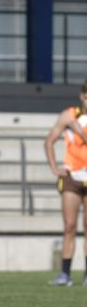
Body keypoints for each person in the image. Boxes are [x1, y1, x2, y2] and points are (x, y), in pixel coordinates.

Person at [44, 80, 87, 286]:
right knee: (69, 226)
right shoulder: (69, 115)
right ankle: (65, 274)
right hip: (72, 177)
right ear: (82, 96)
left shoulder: (77, 124)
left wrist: (81, 132)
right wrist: (55, 168)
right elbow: (49, 140)